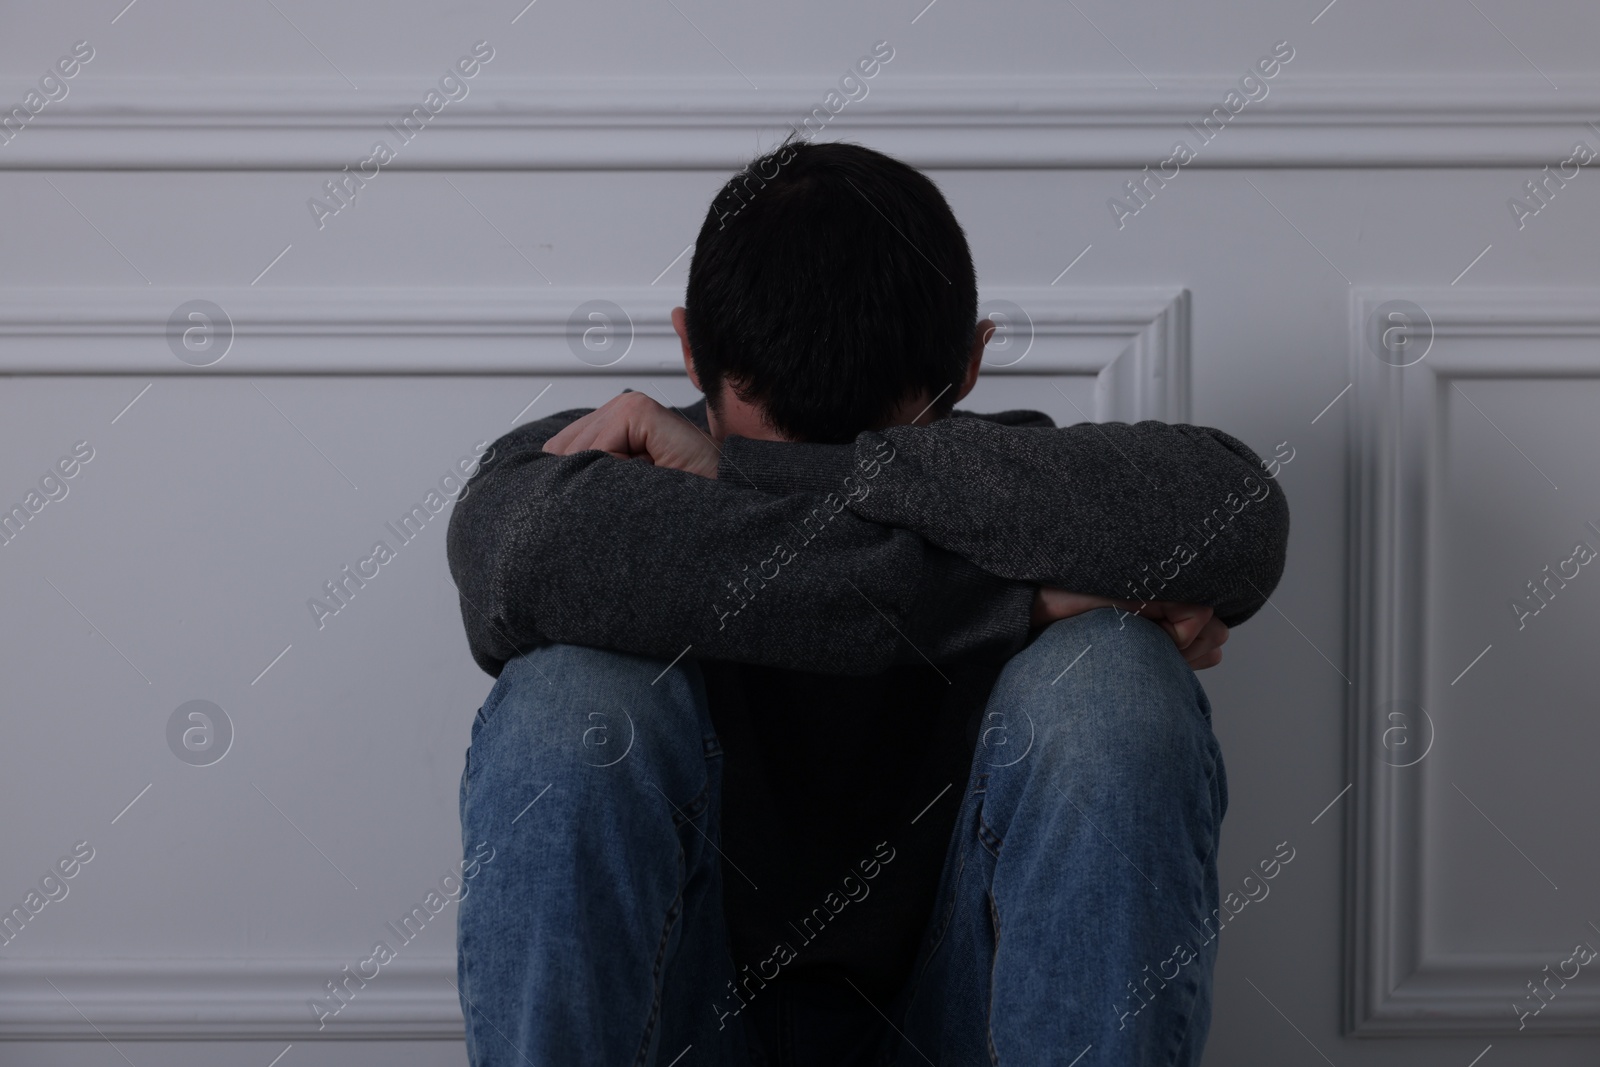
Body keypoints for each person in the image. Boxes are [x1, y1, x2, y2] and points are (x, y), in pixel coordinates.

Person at [446, 139, 1289, 1066]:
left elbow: (1236, 513)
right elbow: (522, 559)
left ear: (688, 345)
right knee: (569, 704)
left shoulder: (1020, 489)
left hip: (964, 1021)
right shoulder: (596, 472)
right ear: (970, 363)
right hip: (683, 1020)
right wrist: (1020, 601)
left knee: (1112, 684)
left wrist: (740, 472)